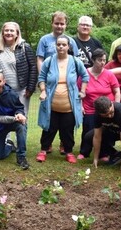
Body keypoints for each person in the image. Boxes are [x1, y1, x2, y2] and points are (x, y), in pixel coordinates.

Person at [36, 35, 88, 164]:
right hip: (51, 104)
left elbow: (85, 76)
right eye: (58, 44)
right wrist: (43, 91)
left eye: (63, 44)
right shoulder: (49, 61)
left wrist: (82, 91)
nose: (60, 47)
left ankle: (69, 152)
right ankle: (43, 150)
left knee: (67, 130)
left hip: (69, 105)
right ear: (55, 46)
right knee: (49, 128)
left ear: (68, 46)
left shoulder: (75, 61)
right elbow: (41, 77)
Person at [36, 11, 79, 155]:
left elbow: (76, 63)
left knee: (67, 119)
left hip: (67, 86)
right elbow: (40, 60)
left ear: (66, 25)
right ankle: (46, 145)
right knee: (50, 117)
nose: (59, 26)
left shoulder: (71, 41)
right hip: (50, 84)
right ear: (52, 23)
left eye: (62, 23)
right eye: (57, 23)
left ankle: (64, 145)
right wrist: (43, 81)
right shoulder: (44, 40)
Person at [78, 48, 120, 162]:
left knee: (105, 132)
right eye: (100, 60)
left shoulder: (109, 74)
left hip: (107, 109)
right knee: (88, 131)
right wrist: (80, 106)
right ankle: (84, 151)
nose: (103, 63)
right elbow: (79, 91)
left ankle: (103, 153)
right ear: (93, 60)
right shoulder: (84, 73)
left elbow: (117, 91)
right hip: (90, 108)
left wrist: (115, 105)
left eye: (104, 60)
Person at [0, 21, 37, 115]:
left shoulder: (24, 47)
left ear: (17, 33)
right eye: (6, 30)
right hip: (2, 91)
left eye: (12, 30)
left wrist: (30, 88)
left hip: (21, 90)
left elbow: (33, 67)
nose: (9, 33)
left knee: (21, 120)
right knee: (3, 120)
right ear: (3, 33)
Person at [85, 96, 121, 176]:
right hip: (112, 130)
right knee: (89, 137)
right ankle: (115, 154)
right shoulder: (97, 115)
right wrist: (95, 159)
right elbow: (97, 137)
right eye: (106, 115)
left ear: (111, 104)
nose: (110, 116)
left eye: (111, 112)